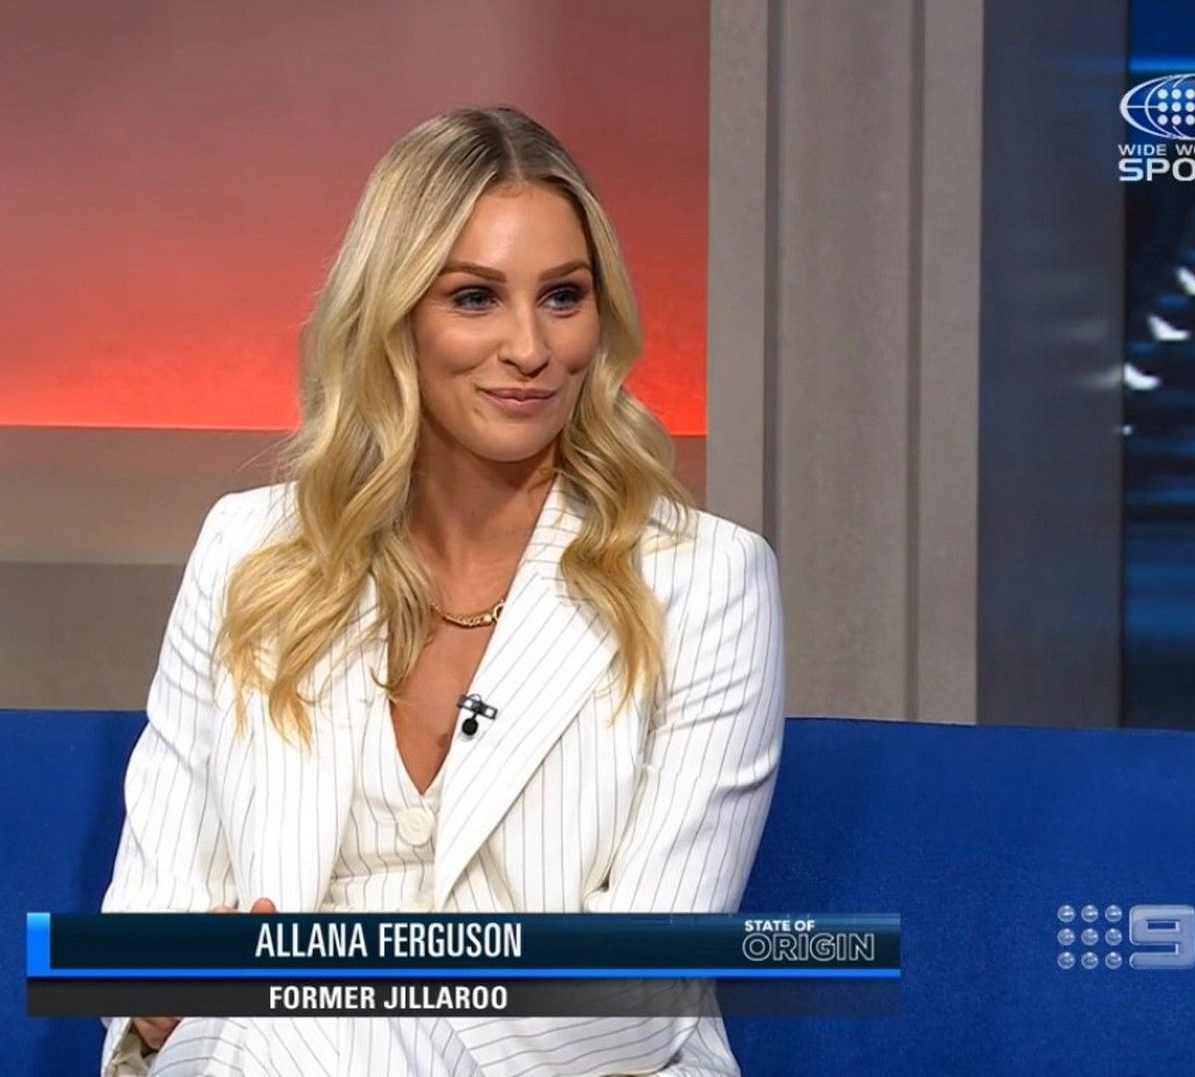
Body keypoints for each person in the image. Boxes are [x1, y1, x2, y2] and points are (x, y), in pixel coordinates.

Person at [99, 104, 786, 1076]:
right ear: (394, 317)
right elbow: (151, 923)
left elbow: (641, 990)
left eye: (563, 296)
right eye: (475, 298)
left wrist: (337, 996)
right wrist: (160, 986)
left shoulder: (703, 581)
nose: (530, 347)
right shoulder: (250, 551)